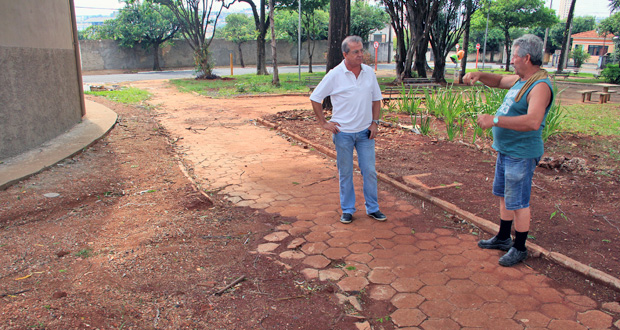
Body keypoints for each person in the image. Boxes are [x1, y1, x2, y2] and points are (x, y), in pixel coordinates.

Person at [462, 34, 554, 267]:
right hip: (506, 150)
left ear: (527, 57)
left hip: (521, 153)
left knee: (519, 202)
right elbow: (500, 80)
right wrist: (480, 75)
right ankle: (503, 237)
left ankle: (520, 247)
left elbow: (533, 121)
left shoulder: (540, 85)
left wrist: (495, 120)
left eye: (514, 56)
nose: (511, 60)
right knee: (504, 195)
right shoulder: (522, 80)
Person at [309, 35, 386, 224]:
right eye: (356, 52)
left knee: (369, 171)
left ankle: (373, 208)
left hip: (365, 134)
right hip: (343, 133)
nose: (361, 55)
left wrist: (375, 122)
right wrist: (323, 123)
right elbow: (315, 98)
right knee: (346, 172)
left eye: (362, 50)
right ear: (345, 54)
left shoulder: (368, 72)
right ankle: (348, 210)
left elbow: (376, 99)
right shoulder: (335, 74)